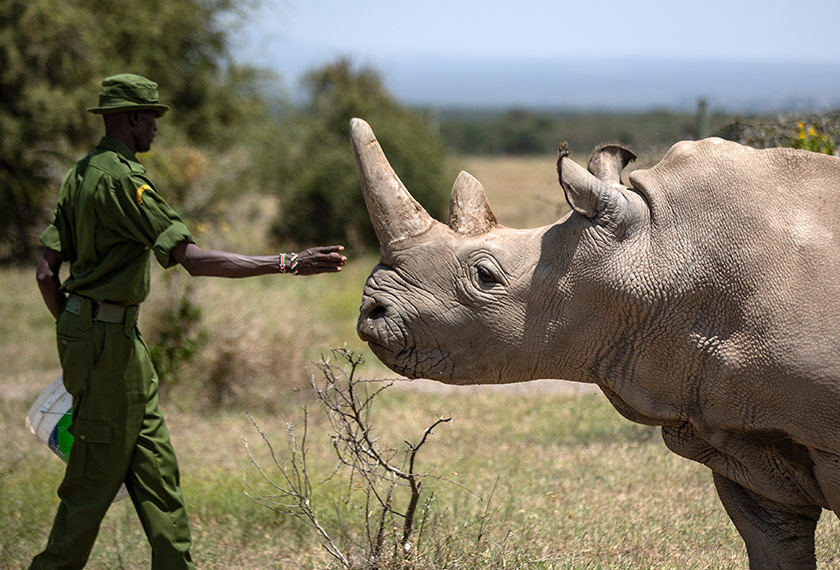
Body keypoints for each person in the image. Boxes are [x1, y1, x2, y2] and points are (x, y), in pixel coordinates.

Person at [31, 73, 347, 569]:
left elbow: (45, 272)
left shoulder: (80, 174)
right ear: (132, 117)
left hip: (111, 340)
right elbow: (192, 258)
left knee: (157, 473)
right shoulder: (123, 181)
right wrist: (288, 262)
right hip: (107, 345)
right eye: (152, 117)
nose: (156, 127)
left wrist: (76, 329)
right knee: (92, 481)